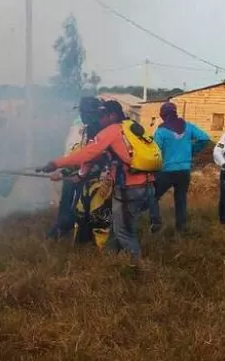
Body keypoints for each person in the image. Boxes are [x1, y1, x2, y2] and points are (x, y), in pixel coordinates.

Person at [41, 100, 153, 263]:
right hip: (139, 182)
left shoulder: (108, 130)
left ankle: (136, 266)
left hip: (110, 183)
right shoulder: (130, 126)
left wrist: (59, 166)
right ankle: (108, 257)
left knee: (107, 221)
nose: (83, 115)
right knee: (110, 222)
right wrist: (71, 172)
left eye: (87, 112)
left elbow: (88, 155)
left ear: (110, 115)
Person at [47, 97, 105, 240]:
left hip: (89, 175)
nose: (84, 115)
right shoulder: (79, 127)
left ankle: (78, 234)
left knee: (81, 205)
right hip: (73, 168)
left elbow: (92, 157)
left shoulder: (101, 129)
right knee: (66, 201)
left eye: (87, 112)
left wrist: (79, 173)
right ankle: (61, 228)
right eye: (82, 112)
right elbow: (75, 151)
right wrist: (63, 170)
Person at [148, 102, 211, 233]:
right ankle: (181, 229)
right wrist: (192, 150)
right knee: (181, 199)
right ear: (175, 113)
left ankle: (156, 222)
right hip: (184, 171)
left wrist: (151, 171)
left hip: (166, 171)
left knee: (152, 196)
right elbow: (205, 138)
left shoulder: (161, 131)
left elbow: (155, 152)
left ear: (163, 115)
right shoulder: (188, 127)